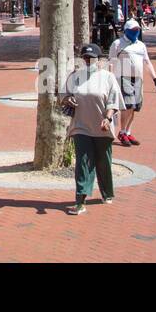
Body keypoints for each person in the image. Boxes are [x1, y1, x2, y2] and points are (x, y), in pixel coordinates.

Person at [61, 44, 124, 215]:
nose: (88, 61)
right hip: (81, 126)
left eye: (92, 58)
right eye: (85, 58)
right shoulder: (75, 77)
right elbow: (63, 95)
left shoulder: (108, 77)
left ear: (99, 60)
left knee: (103, 162)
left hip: (102, 127)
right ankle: (80, 201)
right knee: (83, 162)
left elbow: (113, 102)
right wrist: (68, 100)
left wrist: (108, 117)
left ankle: (107, 192)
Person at [109, 19, 156, 147]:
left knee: (135, 107)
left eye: (137, 30)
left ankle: (128, 131)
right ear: (126, 31)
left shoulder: (141, 45)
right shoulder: (117, 44)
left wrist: (155, 79)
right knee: (128, 105)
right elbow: (111, 62)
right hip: (124, 77)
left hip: (138, 79)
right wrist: (110, 78)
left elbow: (147, 62)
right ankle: (122, 132)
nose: (135, 32)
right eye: (133, 30)